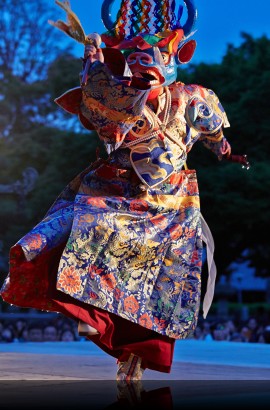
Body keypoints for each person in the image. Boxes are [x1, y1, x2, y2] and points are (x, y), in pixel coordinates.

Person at [0, 0, 249, 380]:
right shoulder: (118, 98)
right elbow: (100, 115)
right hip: (118, 190)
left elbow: (216, 134)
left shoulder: (196, 98)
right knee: (81, 228)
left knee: (161, 282)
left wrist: (226, 152)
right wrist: (96, 67)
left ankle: (133, 357)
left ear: (177, 55)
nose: (143, 67)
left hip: (170, 203)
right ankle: (87, 305)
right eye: (132, 59)